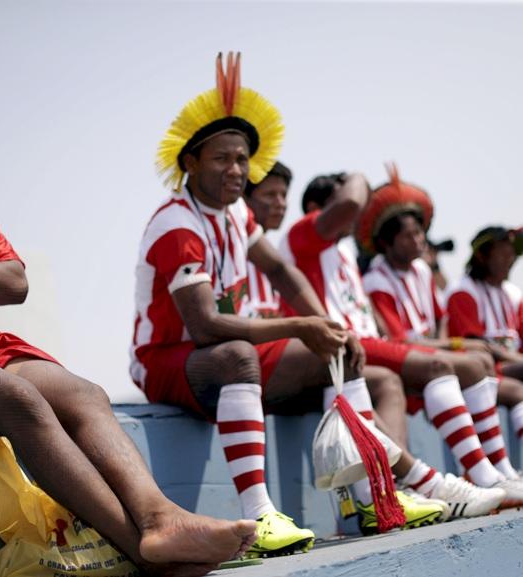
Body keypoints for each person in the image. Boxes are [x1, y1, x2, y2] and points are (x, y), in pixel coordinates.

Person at [0, 7, 258, 576]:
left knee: (85, 394)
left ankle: (161, 518)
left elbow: (14, 284)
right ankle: (140, 549)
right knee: (20, 401)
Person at [131, 53, 453, 547]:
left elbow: (279, 269)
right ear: (190, 163)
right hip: (167, 361)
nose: (236, 169)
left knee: (340, 350)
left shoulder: (235, 214)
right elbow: (204, 327)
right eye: (222, 158)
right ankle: (258, 516)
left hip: (215, 357)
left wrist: (326, 325)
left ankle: (375, 499)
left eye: (242, 159)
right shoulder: (177, 222)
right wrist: (300, 326)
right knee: (239, 355)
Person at [244, 164, 487, 525]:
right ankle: (438, 479)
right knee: (449, 365)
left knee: (387, 380)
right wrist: (356, 180)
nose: (280, 203)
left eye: (283, 195)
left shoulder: (334, 254)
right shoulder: (299, 234)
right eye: (270, 195)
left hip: (315, 357)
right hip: (264, 364)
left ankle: (392, 489)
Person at [359, 171, 523, 484]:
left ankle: (498, 469)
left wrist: (450, 344)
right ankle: (483, 472)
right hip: (404, 358)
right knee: (481, 365)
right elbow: (398, 341)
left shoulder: (422, 270)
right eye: (409, 235)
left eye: (420, 233)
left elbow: (440, 319)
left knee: (478, 361)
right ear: (386, 242)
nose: (419, 240)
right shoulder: (376, 280)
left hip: (428, 353)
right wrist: (457, 347)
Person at [446, 225, 523, 439]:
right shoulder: (462, 291)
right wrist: (516, 359)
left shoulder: (513, 293)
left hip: (512, 367)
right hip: (481, 372)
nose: (511, 259)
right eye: (503, 253)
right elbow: (477, 345)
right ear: (482, 256)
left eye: (513, 254)